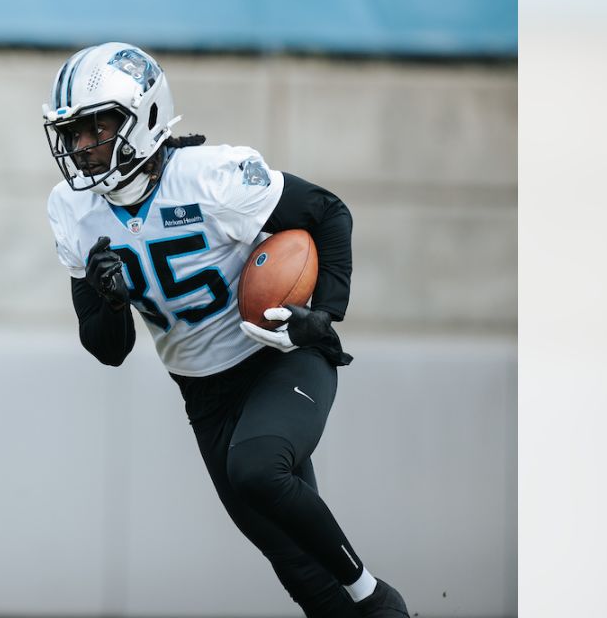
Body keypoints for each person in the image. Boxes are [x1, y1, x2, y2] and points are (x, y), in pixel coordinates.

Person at [42, 43, 409, 618]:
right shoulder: (72, 210)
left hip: (277, 354)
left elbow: (329, 213)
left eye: (98, 126)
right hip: (203, 393)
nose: (83, 146)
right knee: (295, 564)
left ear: (145, 118)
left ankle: (377, 598)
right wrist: (110, 303)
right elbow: (108, 351)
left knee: (258, 469)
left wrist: (326, 313)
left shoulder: (209, 176)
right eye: (74, 132)